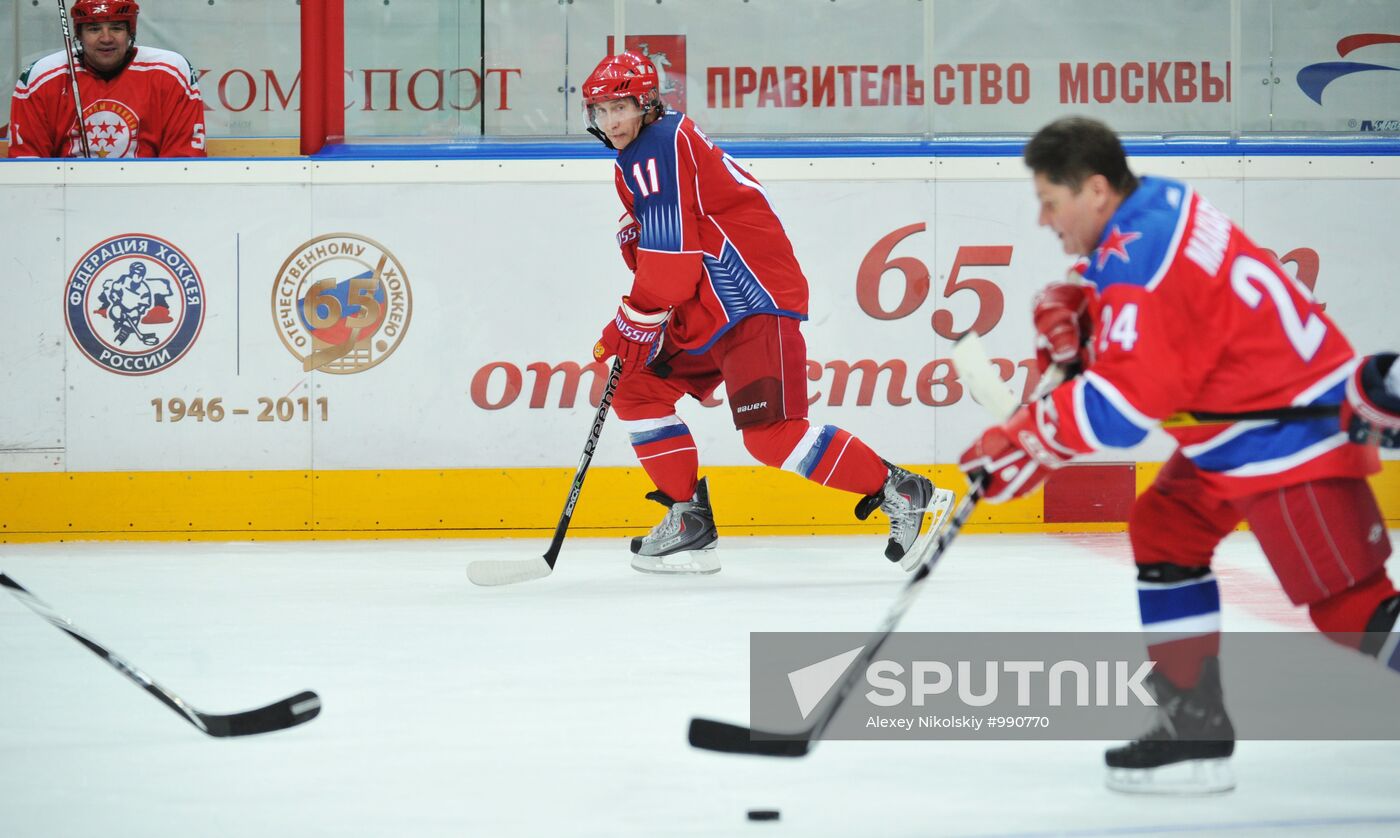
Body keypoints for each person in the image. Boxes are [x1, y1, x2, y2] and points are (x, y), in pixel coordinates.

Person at [958, 116, 1400, 793]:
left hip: (1286, 436)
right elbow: (1169, 315)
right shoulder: (1158, 201)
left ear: (1097, 189)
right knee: (1166, 528)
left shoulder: (1143, 260)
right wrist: (1086, 307)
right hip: (1236, 431)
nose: (1043, 218)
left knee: (1353, 609)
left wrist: (1029, 438)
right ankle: (1192, 725)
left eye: (1050, 199)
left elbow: (1128, 406)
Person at [581, 51, 955, 576]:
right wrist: (643, 319)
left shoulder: (659, 148)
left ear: (646, 104)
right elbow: (670, 259)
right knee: (637, 387)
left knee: (771, 434)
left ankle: (906, 493)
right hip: (709, 309)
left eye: (621, 106)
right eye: (600, 110)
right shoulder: (647, 156)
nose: (611, 120)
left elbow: (671, 264)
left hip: (749, 300)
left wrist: (633, 320)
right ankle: (690, 521)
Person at [8, 1, 205, 159]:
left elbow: (183, 162)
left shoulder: (171, 72)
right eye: (94, 29)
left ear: (131, 33)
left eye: (116, 28)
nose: (106, 38)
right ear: (79, 35)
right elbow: (27, 164)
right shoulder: (40, 78)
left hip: (149, 199)